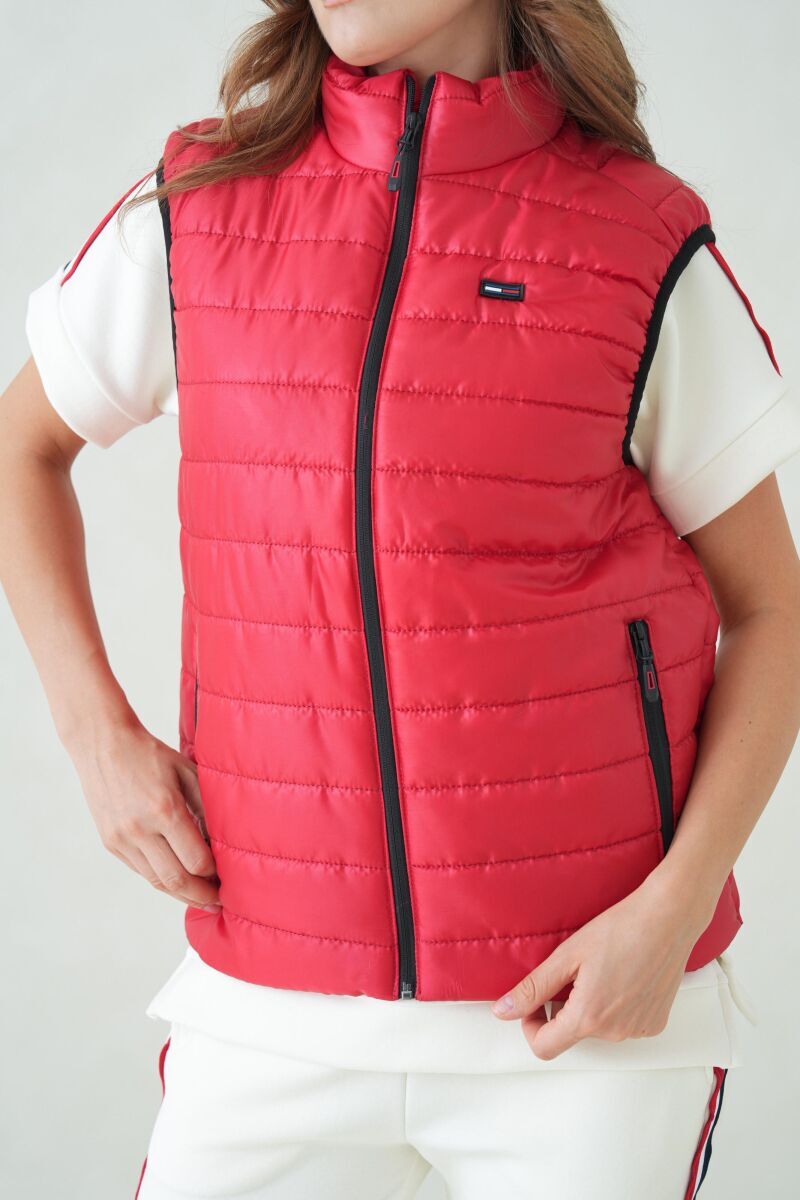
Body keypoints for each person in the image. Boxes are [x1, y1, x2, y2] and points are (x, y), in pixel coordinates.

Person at [2, 1, 799, 1197]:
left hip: (580, 1019)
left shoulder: (633, 239)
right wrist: (94, 735)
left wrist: (671, 915)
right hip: (271, 1004)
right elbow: (19, 448)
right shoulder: (200, 206)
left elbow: (773, 610)